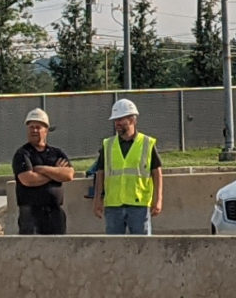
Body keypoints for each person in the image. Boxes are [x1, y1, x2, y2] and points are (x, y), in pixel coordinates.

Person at [88, 96, 163, 235]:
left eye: (121, 119)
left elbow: (156, 173)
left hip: (139, 205)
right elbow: (100, 173)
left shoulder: (147, 143)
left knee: (142, 247)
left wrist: (158, 200)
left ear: (133, 120)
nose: (117, 123)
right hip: (113, 205)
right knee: (114, 249)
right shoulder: (108, 144)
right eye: (115, 120)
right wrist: (97, 200)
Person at [11, 106, 74, 235]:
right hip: (30, 214)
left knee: (58, 250)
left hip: (55, 213)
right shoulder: (22, 154)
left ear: (46, 130)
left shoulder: (56, 153)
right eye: (31, 127)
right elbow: (28, 180)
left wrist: (42, 169)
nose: (34, 130)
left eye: (38, 127)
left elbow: (68, 174)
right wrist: (56, 173)